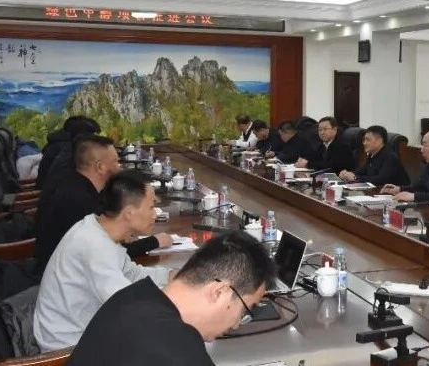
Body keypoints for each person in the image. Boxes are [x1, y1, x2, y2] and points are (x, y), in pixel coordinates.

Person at [66, 230, 275, 366]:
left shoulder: (132, 295)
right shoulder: (180, 351)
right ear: (219, 291)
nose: (237, 324)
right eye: (245, 309)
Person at [34, 170, 173, 352]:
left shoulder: (98, 229)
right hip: (68, 348)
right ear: (129, 213)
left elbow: (130, 273)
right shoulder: (95, 246)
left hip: (86, 330)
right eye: (151, 207)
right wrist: (177, 299)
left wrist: (170, 276)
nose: (155, 214)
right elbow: (128, 305)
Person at [33, 135, 171, 276]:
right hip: (57, 275)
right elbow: (106, 252)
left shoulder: (76, 184)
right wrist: (152, 242)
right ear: (100, 167)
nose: (120, 167)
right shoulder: (80, 200)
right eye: (116, 162)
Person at [340, 125, 410, 186]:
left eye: (368, 140)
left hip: (397, 194)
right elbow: (363, 171)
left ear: (379, 141)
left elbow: (381, 179)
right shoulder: (372, 154)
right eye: (364, 140)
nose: (364, 143)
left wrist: (355, 177)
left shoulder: (390, 156)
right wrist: (348, 174)